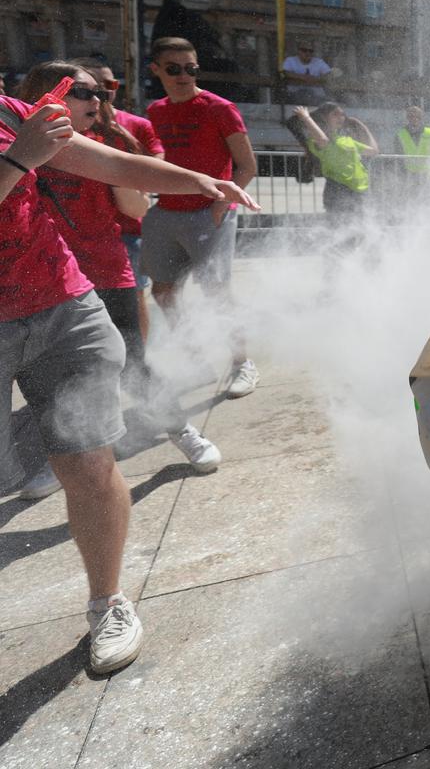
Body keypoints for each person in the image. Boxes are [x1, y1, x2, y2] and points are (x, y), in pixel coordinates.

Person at [1, 74, 254, 674]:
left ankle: (107, 601)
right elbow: (25, 161)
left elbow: (112, 166)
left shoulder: (10, 111)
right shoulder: (20, 137)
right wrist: (17, 159)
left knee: (90, 461)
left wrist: (200, 180)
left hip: (62, 305)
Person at [14, 62, 221, 500]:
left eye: (104, 94)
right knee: (50, 384)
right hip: (39, 283)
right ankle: (64, 460)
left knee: (134, 362)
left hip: (105, 270)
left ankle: (179, 428)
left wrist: (117, 144)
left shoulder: (99, 142)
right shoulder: (16, 138)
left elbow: (136, 210)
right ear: (46, 94)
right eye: (86, 93)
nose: (100, 101)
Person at [143, 37, 259, 398]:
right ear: (157, 70)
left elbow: (247, 166)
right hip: (166, 212)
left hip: (209, 214)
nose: (183, 76)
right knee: (163, 292)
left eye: (190, 69)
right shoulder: (155, 111)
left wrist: (220, 205)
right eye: (174, 69)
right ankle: (195, 359)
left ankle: (243, 364)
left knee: (217, 293)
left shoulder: (219, 108)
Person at [71, 57, 162, 340]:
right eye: (91, 88)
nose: (103, 93)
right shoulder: (68, 126)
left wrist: (122, 140)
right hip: (76, 232)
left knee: (133, 301)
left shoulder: (135, 125)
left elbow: (154, 170)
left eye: (109, 85)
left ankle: (140, 365)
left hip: (127, 231)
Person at [290, 102, 377, 229]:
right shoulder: (314, 141)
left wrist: (362, 126)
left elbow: (373, 151)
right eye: (335, 114)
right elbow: (323, 140)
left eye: (342, 115)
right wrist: (306, 117)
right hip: (339, 190)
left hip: (361, 191)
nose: (340, 117)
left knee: (361, 231)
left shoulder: (347, 140)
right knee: (340, 232)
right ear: (324, 118)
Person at [395, 105, 430, 193]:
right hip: (407, 174)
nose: (414, 118)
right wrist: (400, 172)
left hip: (427, 174)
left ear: (421, 118)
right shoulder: (400, 134)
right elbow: (397, 155)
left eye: (417, 116)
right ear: (407, 118)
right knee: (409, 198)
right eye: (411, 116)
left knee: (427, 197)